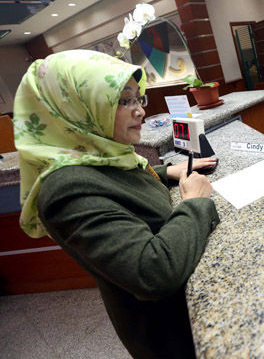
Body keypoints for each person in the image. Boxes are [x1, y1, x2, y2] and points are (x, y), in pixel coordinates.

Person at [13, 50, 220, 358]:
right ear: (76, 107)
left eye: (139, 99)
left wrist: (166, 172)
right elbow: (152, 272)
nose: (140, 112)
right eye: (125, 101)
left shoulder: (100, 155)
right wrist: (193, 204)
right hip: (171, 331)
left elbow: (118, 185)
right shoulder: (65, 191)